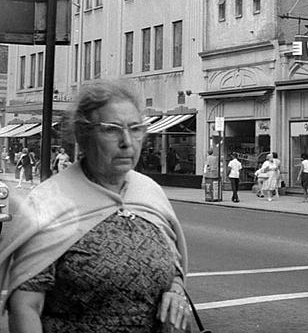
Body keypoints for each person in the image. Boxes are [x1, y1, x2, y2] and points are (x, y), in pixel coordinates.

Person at [0, 79, 190, 332]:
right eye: (111, 129)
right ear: (83, 135)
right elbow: (26, 306)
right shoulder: (51, 201)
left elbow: (175, 269)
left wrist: (176, 293)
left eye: (135, 129)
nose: (127, 142)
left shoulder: (150, 192)